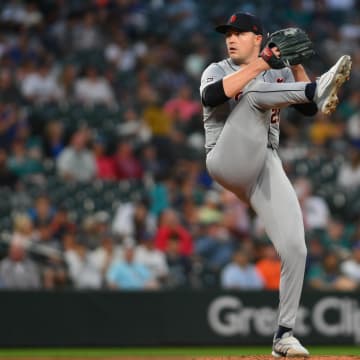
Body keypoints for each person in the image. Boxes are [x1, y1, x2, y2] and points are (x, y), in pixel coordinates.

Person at [200, 12, 352, 357]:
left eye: (239, 33)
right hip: (226, 157)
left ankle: (283, 336)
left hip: (265, 163)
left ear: (259, 37)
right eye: (228, 33)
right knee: (254, 91)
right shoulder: (217, 68)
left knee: (295, 248)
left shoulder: (277, 69)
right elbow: (210, 98)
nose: (231, 38)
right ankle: (318, 83)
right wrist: (267, 65)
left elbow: (313, 111)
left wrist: (296, 67)